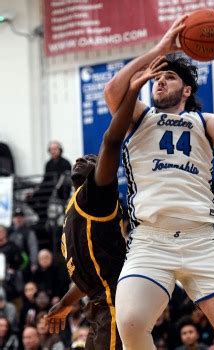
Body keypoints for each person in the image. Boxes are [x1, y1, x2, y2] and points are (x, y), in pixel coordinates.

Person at [104, 15, 214, 349]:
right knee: (130, 321)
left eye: (169, 77)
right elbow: (113, 91)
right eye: (157, 78)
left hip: (202, 239)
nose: (159, 82)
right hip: (151, 240)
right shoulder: (139, 115)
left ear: (186, 90)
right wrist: (159, 50)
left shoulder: (203, 122)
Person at [44, 54, 138, 348]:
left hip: (114, 304)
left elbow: (111, 142)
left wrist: (131, 93)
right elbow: (88, 279)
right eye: (82, 157)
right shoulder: (74, 210)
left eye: (93, 160)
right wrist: (64, 304)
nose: (84, 158)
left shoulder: (95, 197)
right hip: (100, 304)